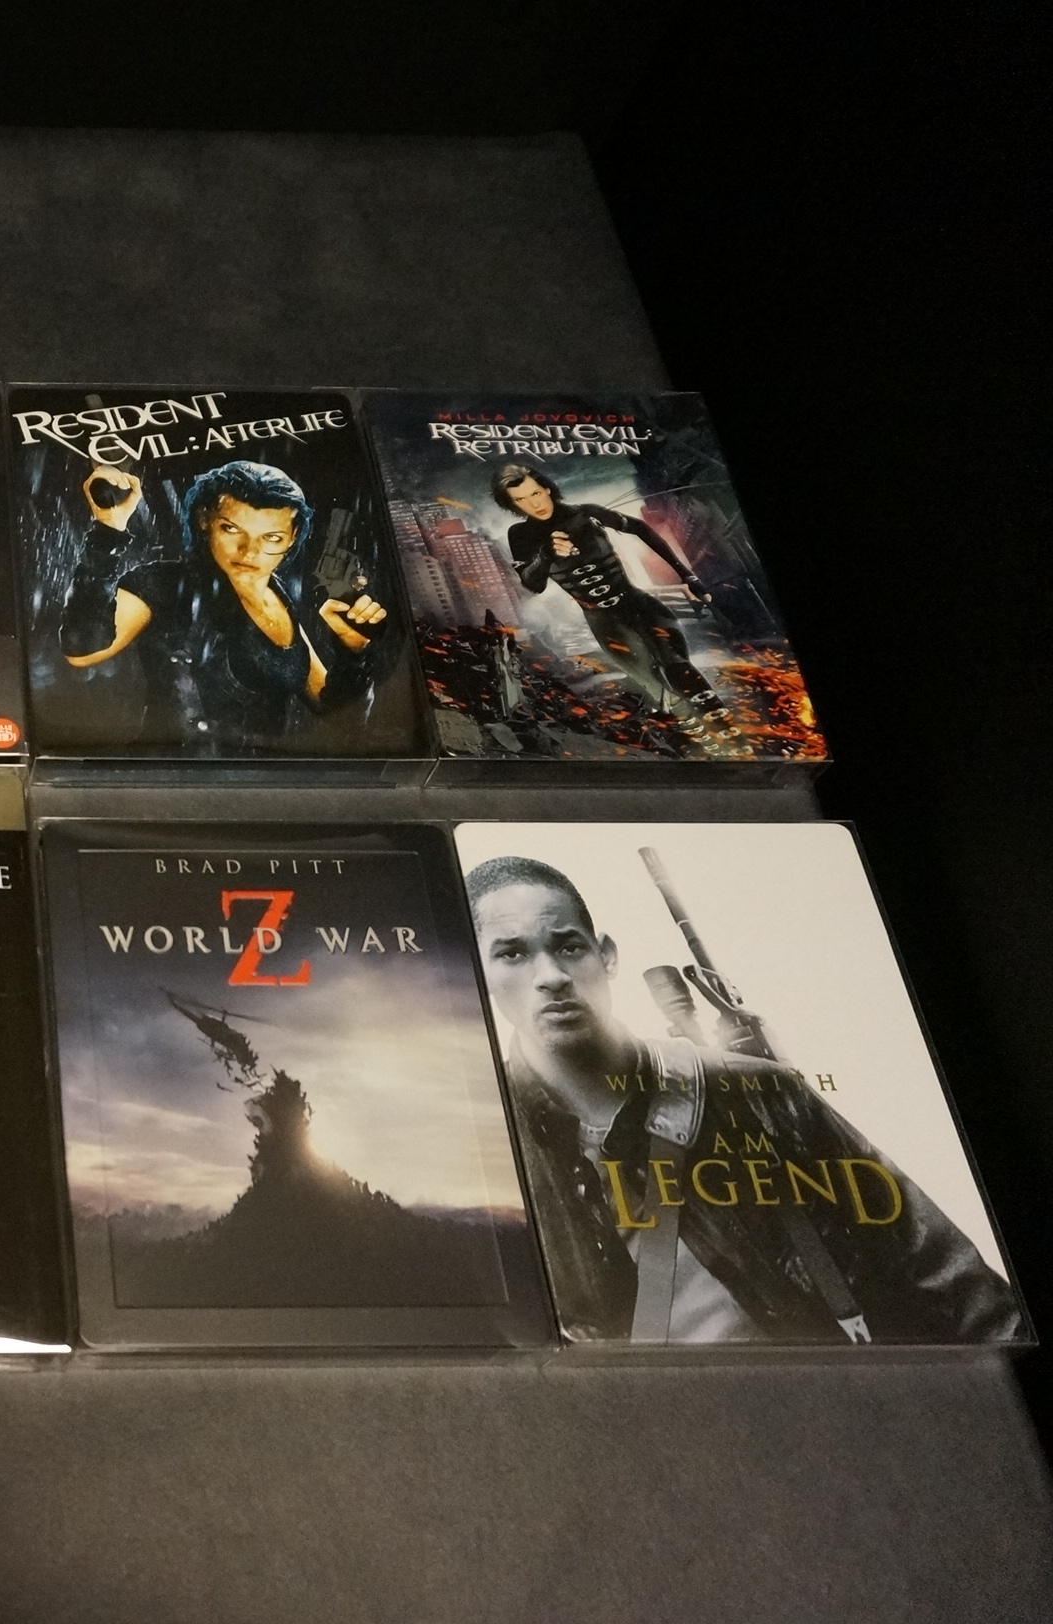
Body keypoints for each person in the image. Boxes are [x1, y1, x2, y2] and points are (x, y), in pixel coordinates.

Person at [465, 853, 1021, 1344]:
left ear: (605, 955)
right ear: (475, 969)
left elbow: (950, 1279)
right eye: (511, 954)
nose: (552, 976)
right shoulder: (479, 1147)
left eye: (568, 947)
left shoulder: (761, 1091)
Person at [59, 459, 391, 749]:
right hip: (173, 779)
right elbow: (84, 649)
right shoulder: (166, 583)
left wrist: (353, 651)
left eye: (271, 538)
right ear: (205, 520)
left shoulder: (278, 598)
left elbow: (339, 717)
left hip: (261, 786)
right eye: (232, 529)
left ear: (292, 538)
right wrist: (108, 530)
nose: (249, 552)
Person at [489, 462, 742, 754]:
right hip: (604, 621)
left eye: (535, 493)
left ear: (546, 488)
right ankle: (710, 747)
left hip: (639, 604)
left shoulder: (587, 512)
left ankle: (733, 741)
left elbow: (641, 529)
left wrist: (688, 576)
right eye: (520, 499)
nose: (534, 504)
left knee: (679, 667)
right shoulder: (520, 535)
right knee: (658, 688)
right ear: (512, 504)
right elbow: (533, 584)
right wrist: (546, 554)